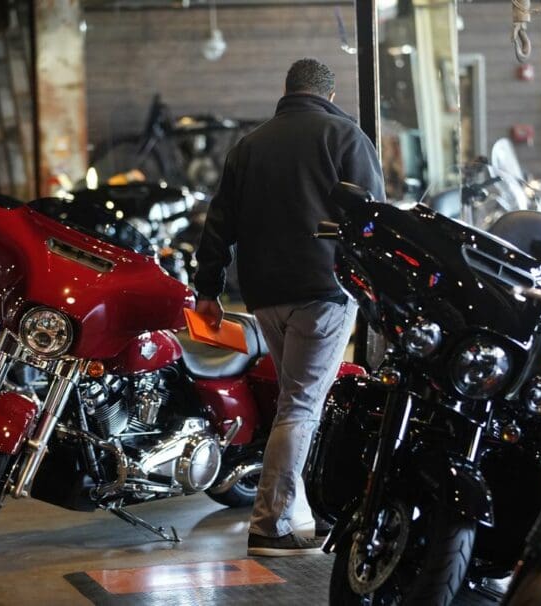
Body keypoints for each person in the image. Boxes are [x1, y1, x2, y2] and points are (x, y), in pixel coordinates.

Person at [193, 57, 385, 557]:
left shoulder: (250, 146)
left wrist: (207, 290)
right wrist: (379, 289)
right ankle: (270, 523)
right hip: (323, 290)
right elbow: (372, 220)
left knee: (293, 403)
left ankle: (305, 511)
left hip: (264, 296)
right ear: (331, 95)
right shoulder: (345, 138)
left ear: (288, 89)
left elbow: (219, 225)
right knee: (301, 404)